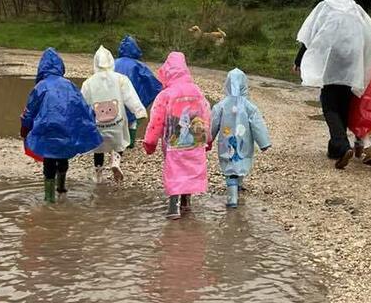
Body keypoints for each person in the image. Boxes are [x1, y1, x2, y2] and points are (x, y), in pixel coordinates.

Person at [294, 0, 371, 169]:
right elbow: (369, 38)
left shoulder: (325, 7)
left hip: (331, 63)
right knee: (344, 104)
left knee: (329, 105)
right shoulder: (355, 9)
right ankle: (335, 148)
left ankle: (342, 147)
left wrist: (299, 60)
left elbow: (310, 36)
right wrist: (369, 63)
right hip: (352, 64)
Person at [20, 47, 101, 202]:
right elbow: (82, 107)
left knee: (49, 161)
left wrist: (25, 129)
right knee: (63, 157)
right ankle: (61, 189)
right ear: (61, 66)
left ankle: (49, 198)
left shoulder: (40, 87)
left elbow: (29, 112)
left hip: (46, 130)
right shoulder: (69, 85)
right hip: (66, 129)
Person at [142, 51, 212, 218]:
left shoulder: (166, 95)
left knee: (174, 170)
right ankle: (186, 202)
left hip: (173, 142)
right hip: (196, 140)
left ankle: (173, 206)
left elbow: (156, 120)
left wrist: (150, 142)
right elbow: (206, 115)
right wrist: (207, 139)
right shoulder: (197, 92)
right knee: (190, 169)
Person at [81, 46, 147, 184]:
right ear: (111, 61)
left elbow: (83, 103)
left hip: (98, 122)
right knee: (119, 143)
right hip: (117, 121)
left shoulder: (88, 83)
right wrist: (139, 111)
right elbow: (130, 97)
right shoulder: (121, 79)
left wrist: (79, 121)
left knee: (98, 148)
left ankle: (98, 174)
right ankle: (116, 162)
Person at [210, 67, 271, 208]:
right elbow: (257, 125)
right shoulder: (249, 107)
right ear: (245, 85)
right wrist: (264, 142)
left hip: (226, 144)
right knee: (241, 161)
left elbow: (213, 124)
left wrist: (208, 139)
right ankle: (236, 189)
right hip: (244, 142)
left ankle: (233, 193)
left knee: (230, 164)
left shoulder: (221, 106)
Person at [113, 34, 163, 148]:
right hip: (132, 94)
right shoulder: (138, 65)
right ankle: (130, 142)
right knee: (133, 117)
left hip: (114, 94)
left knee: (115, 116)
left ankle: (116, 140)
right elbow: (153, 83)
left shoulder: (113, 62)